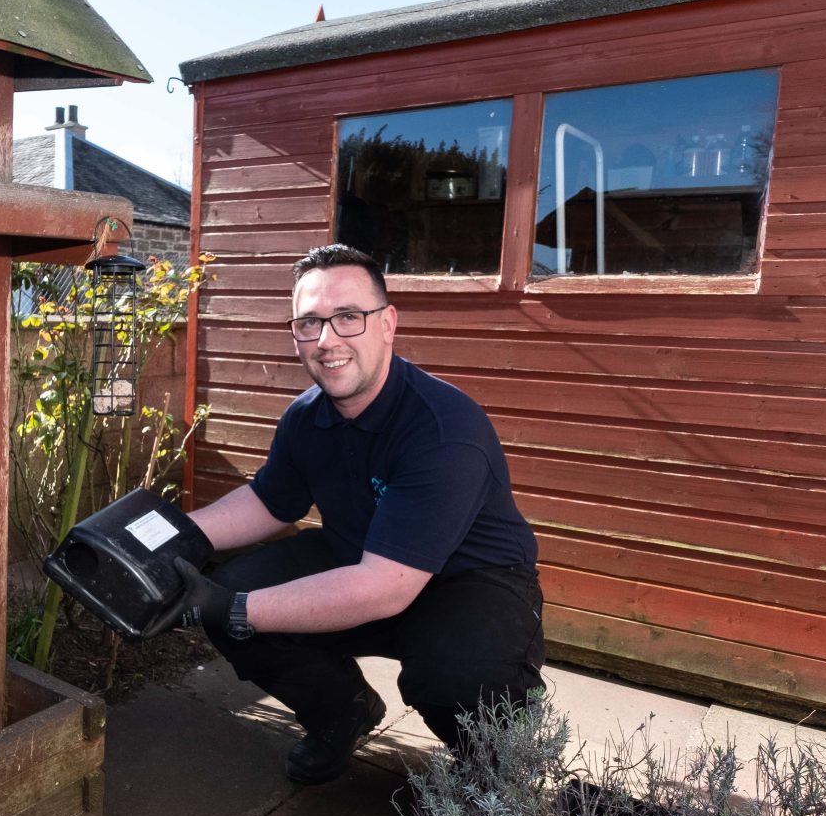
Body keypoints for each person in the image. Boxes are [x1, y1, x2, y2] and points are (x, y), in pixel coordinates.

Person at [171, 244, 547, 784]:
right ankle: (340, 714)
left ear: (388, 323)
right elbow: (270, 502)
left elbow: (383, 588)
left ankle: (494, 790)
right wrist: (173, 538)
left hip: (469, 582)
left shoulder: (443, 430)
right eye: (309, 322)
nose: (327, 341)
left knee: (458, 682)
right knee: (236, 592)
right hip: (360, 558)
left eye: (348, 317)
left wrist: (229, 608)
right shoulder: (306, 418)